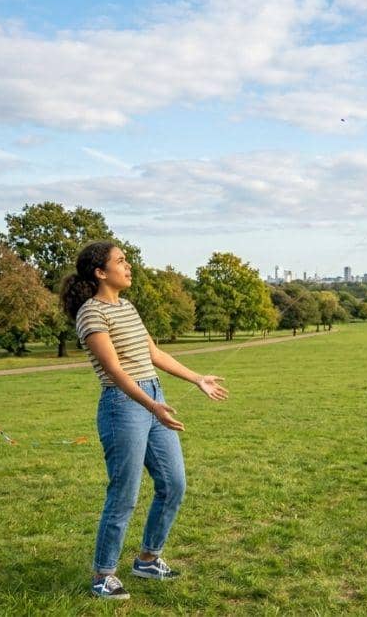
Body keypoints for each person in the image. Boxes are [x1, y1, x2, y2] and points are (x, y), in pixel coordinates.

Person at [61, 241, 228, 600]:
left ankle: (148, 559)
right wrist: (152, 405)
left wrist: (197, 378)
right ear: (100, 272)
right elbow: (114, 370)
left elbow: (153, 353)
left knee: (174, 483)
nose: (129, 266)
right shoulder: (91, 314)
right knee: (124, 493)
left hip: (153, 397)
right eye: (120, 261)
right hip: (123, 404)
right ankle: (103, 575)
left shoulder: (128, 307)